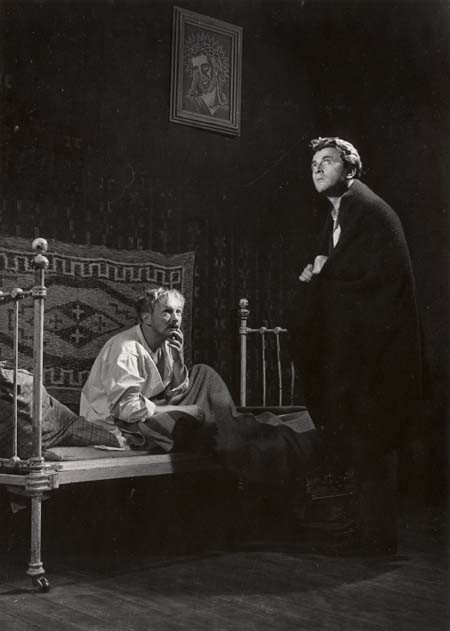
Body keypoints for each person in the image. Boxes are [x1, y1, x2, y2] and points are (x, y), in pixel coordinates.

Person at [286, 137, 424, 555]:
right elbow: (343, 272)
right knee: (365, 442)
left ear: (351, 169)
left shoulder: (365, 210)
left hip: (381, 351)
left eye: (327, 160)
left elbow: (374, 279)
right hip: (365, 351)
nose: (317, 168)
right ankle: (368, 533)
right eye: (314, 162)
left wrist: (324, 273)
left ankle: (375, 538)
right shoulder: (342, 213)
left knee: (373, 442)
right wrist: (320, 273)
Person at [80, 287, 319, 485]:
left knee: (203, 372)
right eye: (167, 312)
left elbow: (177, 390)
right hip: (118, 422)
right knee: (189, 422)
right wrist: (183, 409)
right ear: (146, 318)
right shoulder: (126, 349)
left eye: (178, 312)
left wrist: (178, 358)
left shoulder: (165, 342)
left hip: (146, 407)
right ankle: (232, 434)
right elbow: (126, 409)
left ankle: (233, 425)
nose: (176, 319)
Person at [183, 33, 229, 119]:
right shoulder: (188, 103)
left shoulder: (227, 110)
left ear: (216, 68)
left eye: (205, 67)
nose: (201, 74)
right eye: (196, 69)